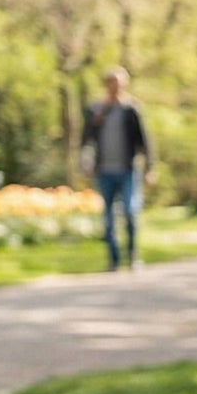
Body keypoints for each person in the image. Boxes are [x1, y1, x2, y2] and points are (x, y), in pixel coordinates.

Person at [80, 67, 152, 270]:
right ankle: (113, 259)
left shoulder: (131, 109)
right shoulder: (96, 109)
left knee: (130, 211)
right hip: (104, 170)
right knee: (108, 216)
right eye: (111, 83)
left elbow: (144, 139)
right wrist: (84, 162)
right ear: (106, 85)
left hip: (128, 169)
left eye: (118, 83)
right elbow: (86, 139)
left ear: (124, 85)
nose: (115, 87)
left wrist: (150, 167)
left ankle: (132, 254)